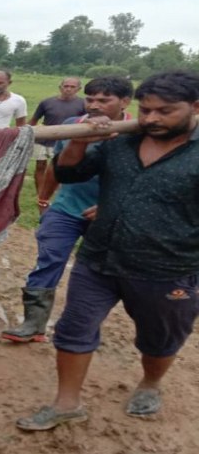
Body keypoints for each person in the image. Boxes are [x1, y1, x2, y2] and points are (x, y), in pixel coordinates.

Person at [17, 71, 199, 431]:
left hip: (167, 269)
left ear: (195, 107)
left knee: (159, 338)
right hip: (98, 258)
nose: (151, 119)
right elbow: (70, 174)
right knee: (74, 329)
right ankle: (66, 404)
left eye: (164, 112)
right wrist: (81, 140)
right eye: (146, 110)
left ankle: (150, 383)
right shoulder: (121, 140)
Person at [1, 76, 133, 344]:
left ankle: (83, 327)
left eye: (104, 100)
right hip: (66, 209)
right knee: (48, 259)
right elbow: (57, 167)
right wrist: (43, 199)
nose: (94, 105)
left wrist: (113, 207)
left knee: (96, 272)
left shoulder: (136, 132)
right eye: (90, 99)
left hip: (109, 214)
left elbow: (143, 180)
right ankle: (33, 324)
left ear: (125, 102)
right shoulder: (73, 125)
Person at [28, 77, 85, 195]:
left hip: (67, 140)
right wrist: (24, 134)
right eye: (66, 86)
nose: (68, 89)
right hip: (44, 139)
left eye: (72, 87)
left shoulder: (83, 104)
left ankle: (57, 191)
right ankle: (40, 194)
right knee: (40, 166)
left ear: (78, 89)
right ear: (60, 87)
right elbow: (34, 120)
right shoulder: (47, 102)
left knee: (61, 167)